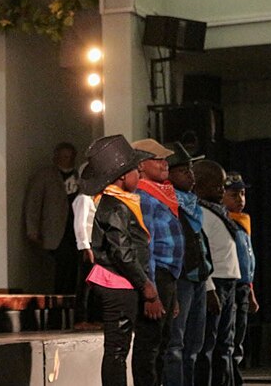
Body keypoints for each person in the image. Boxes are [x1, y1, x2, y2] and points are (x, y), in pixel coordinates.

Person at [80, 135, 158, 386]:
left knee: (120, 348)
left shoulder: (121, 203)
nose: (140, 175)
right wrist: (145, 284)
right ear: (123, 176)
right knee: (116, 349)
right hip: (118, 283)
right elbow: (122, 252)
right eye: (136, 170)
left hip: (125, 282)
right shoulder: (114, 206)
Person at [129, 139, 181, 386]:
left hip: (167, 276)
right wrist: (151, 292)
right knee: (149, 345)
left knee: (162, 343)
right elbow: (145, 245)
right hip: (155, 274)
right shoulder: (142, 195)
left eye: (165, 159)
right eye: (157, 159)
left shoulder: (162, 194)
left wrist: (173, 295)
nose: (165, 164)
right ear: (140, 164)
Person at [162, 142, 211, 386]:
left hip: (197, 276)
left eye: (192, 170)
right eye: (184, 171)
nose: (191, 176)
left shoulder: (192, 203)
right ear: (167, 172)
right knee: (175, 344)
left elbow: (199, 243)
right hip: (179, 278)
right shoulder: (164, 202)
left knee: (194, 344)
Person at [193, 160, 240, 386]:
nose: (222, 190)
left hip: (229, 282)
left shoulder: (220, 212)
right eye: (216, 185)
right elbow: (201, 254)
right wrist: (209, 288)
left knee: (226, 343)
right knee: (208, 343)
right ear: (199, 185)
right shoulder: (199, 212)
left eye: (223, 185)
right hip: (215, 283)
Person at [25, 142, 80, 293]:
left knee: (73, 270)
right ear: (56, 157)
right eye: (63, 156)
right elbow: (33, 203)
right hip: (53, 232)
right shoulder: (45, 176)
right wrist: (32, 230)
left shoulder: (79, 177)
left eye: (70, 157)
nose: (67, 160)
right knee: (54, 272)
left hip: (74, 232)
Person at [222, 172, 259, 385]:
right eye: (234, 194)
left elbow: (248, 260)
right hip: (229, 284)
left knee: (239, 336)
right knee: (228, 335)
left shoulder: (243, 222)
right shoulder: (223, 220)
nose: (240, 200)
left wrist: (251, 290)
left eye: (243, 194)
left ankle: (235, 373)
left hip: (243, 286)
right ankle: (229, 378)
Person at [71, 162, 101, 330]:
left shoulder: (94, 198)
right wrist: (84, 246)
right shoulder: (83, 199)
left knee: (95, 283)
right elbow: (80, 224)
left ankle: (94, 317)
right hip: (87, 245)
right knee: (85, 284)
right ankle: (80, 319)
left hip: (95, 244)